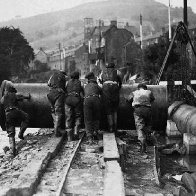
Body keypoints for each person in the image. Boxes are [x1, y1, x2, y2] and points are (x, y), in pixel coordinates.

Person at [1, 83, 30, 157]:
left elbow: (1, 104)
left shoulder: (3, 98)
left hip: (8, 114)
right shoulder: (14, 95)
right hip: (15, 111)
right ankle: (21, 133)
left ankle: (13, 151)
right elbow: (23, 97)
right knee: (26, 117)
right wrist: (28, 96)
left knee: (11, 133)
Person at [128, 83, 155, 153]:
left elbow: (128, 99)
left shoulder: (134, 92)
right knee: (148, 124)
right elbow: (152, 99)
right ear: (145, 88)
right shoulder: (149, 92)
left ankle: (142, 142)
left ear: (138, 88)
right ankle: (148, 138)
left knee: (139, 126)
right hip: (148, 109)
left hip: (138, 110)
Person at [100, 62, 122, 133]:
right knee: (115, 109)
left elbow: (100, 81)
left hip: (105, 88)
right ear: (114, 67)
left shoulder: (102, 72)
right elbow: (120, 82)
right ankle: (115, 127)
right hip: (115, 87)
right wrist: (118, 89)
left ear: (107, 68)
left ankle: (110, 128)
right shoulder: (117, 72)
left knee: (108, 109)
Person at [47, 70, 67, 137]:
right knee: (59, 112)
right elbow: (65, 88)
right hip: (58, 94)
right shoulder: (63, 77)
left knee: (53, 111)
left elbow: (48, 84)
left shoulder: (52, 75)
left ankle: (57, 128)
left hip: (50, 94)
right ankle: (56, 130)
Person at [65, 71, 84, 141]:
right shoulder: (80, 82)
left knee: (68, 117)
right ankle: (76, 132)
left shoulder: (67, 82)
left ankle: (69, 137)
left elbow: (65, 90)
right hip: (76, 99)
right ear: (78, 76)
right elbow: (83, 92)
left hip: (68, 100)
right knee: (78, 116)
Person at [84, 72, 102, 144]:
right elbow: (102, 93)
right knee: (96, 117)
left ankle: (89, 137)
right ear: (94, 78)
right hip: (96, 100)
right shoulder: (96, 86)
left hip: (87, 100)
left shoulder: (86, 86)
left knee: (88, 119)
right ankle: (95, 132)